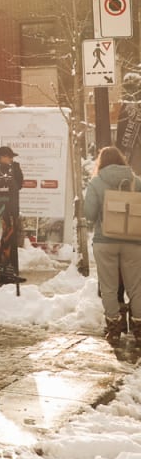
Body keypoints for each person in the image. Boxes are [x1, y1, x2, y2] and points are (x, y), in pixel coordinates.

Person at [82, 145, 141, 343]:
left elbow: (89, 214)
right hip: (133, 241)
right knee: (136, 286)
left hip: (105, 241)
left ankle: (114, 328)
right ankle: (139, 327)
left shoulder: (96, 182)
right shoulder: (136, 181)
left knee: (108, 286)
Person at [0, 145, 25, 285]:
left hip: (11, 210)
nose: (12, 159)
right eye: (10, 156)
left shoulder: (12, 168)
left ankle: (11, 273)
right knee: (2, 243)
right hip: (0, 212)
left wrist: (16, 169)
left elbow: (19, 185)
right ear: (1, 157)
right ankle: (3, 275)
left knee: (11, 244)